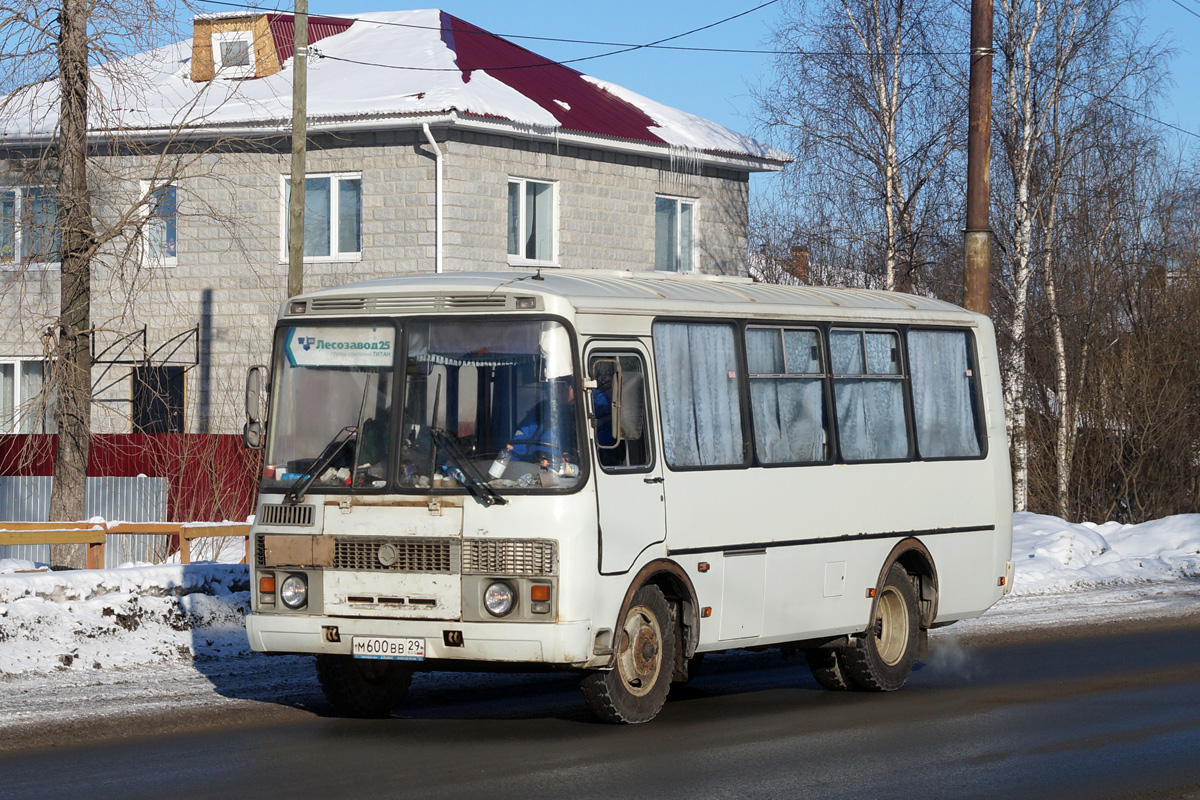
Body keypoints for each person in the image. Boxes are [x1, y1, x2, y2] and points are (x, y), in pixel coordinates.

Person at [507, 378, 577, 468]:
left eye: (564, 386)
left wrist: (572, 456)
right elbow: (522, 437)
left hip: (574, 472)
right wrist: (513, 463)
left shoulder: (586, 410)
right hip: (538, 465)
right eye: (556, 387)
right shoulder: (542, 410)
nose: (560, 391)